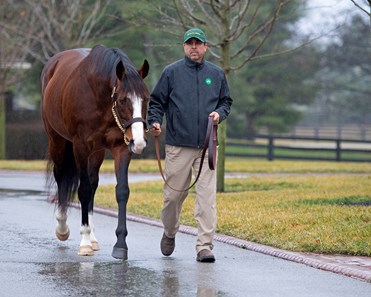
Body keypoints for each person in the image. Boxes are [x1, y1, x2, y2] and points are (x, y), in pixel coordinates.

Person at [148, 28, 233, 262]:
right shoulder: (171, 73)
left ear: (206, 46)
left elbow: (226, 101)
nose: (194, 47)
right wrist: (154, 121)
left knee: (207, 198)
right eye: (189, 43)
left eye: (198, 43)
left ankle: (204, 246)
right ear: (184, 47)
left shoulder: (216, 74)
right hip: (178, 145)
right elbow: (156, 102)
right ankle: (169, 231)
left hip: (208, 145)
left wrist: (219, 113)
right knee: (173, 198)